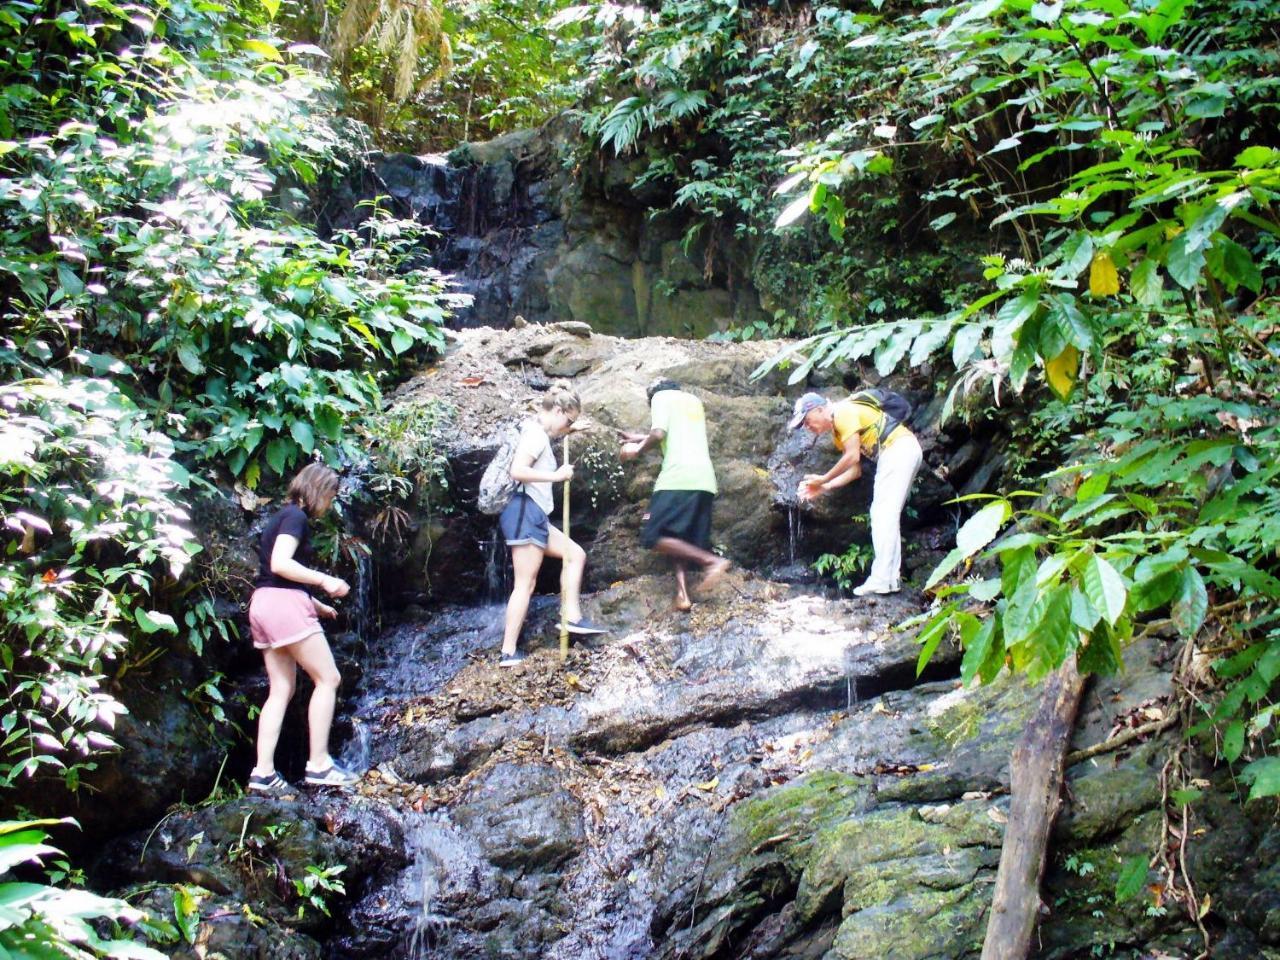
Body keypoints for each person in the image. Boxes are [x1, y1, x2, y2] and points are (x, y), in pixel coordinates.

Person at [246, 463, 359, 795]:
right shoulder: (296, 518)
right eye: (330, 496)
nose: (329, 504)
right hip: (283, 606)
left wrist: (316, 604)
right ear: (319, 490)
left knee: (281, 689)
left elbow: (274, 574)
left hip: (264, 604)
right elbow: (282, 564)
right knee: (328, 678)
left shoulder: (280, 517)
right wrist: (324, 580)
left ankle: (263, 772)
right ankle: (319, 764)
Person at [497, 386, 608, 666]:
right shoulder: (534, 435)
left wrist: (569, 430)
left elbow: (551, 433)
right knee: (526, 582)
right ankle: (508, 652)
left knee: (575, 554)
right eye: (567, 420)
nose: (567, 426)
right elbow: (517, 470)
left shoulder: (539, 431)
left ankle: (571, 618)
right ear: (557, 411)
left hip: (533, 515)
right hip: (524, 511)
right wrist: (556, 476)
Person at [789, 390, 923, 596]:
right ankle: (889, 579)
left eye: (806, 420)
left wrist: (823, 478)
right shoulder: (838, 434)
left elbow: (851, 457)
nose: (807, 426)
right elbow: (855, 470)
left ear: (819, 409)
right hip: (901, 451)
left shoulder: (843, 412)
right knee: (884, 514)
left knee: (882, 514)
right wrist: (825, 487)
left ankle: (883, 579)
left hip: (898, 449)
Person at [620, 378, 730, 611]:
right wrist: (640, 436)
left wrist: (636, 450)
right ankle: (682, 595)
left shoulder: (660, 398)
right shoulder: (692, 401)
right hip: (705, 481)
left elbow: (659, 433)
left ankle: (712, 561)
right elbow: (678, 434)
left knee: (653, 535)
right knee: (678, 539)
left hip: (678, 478)